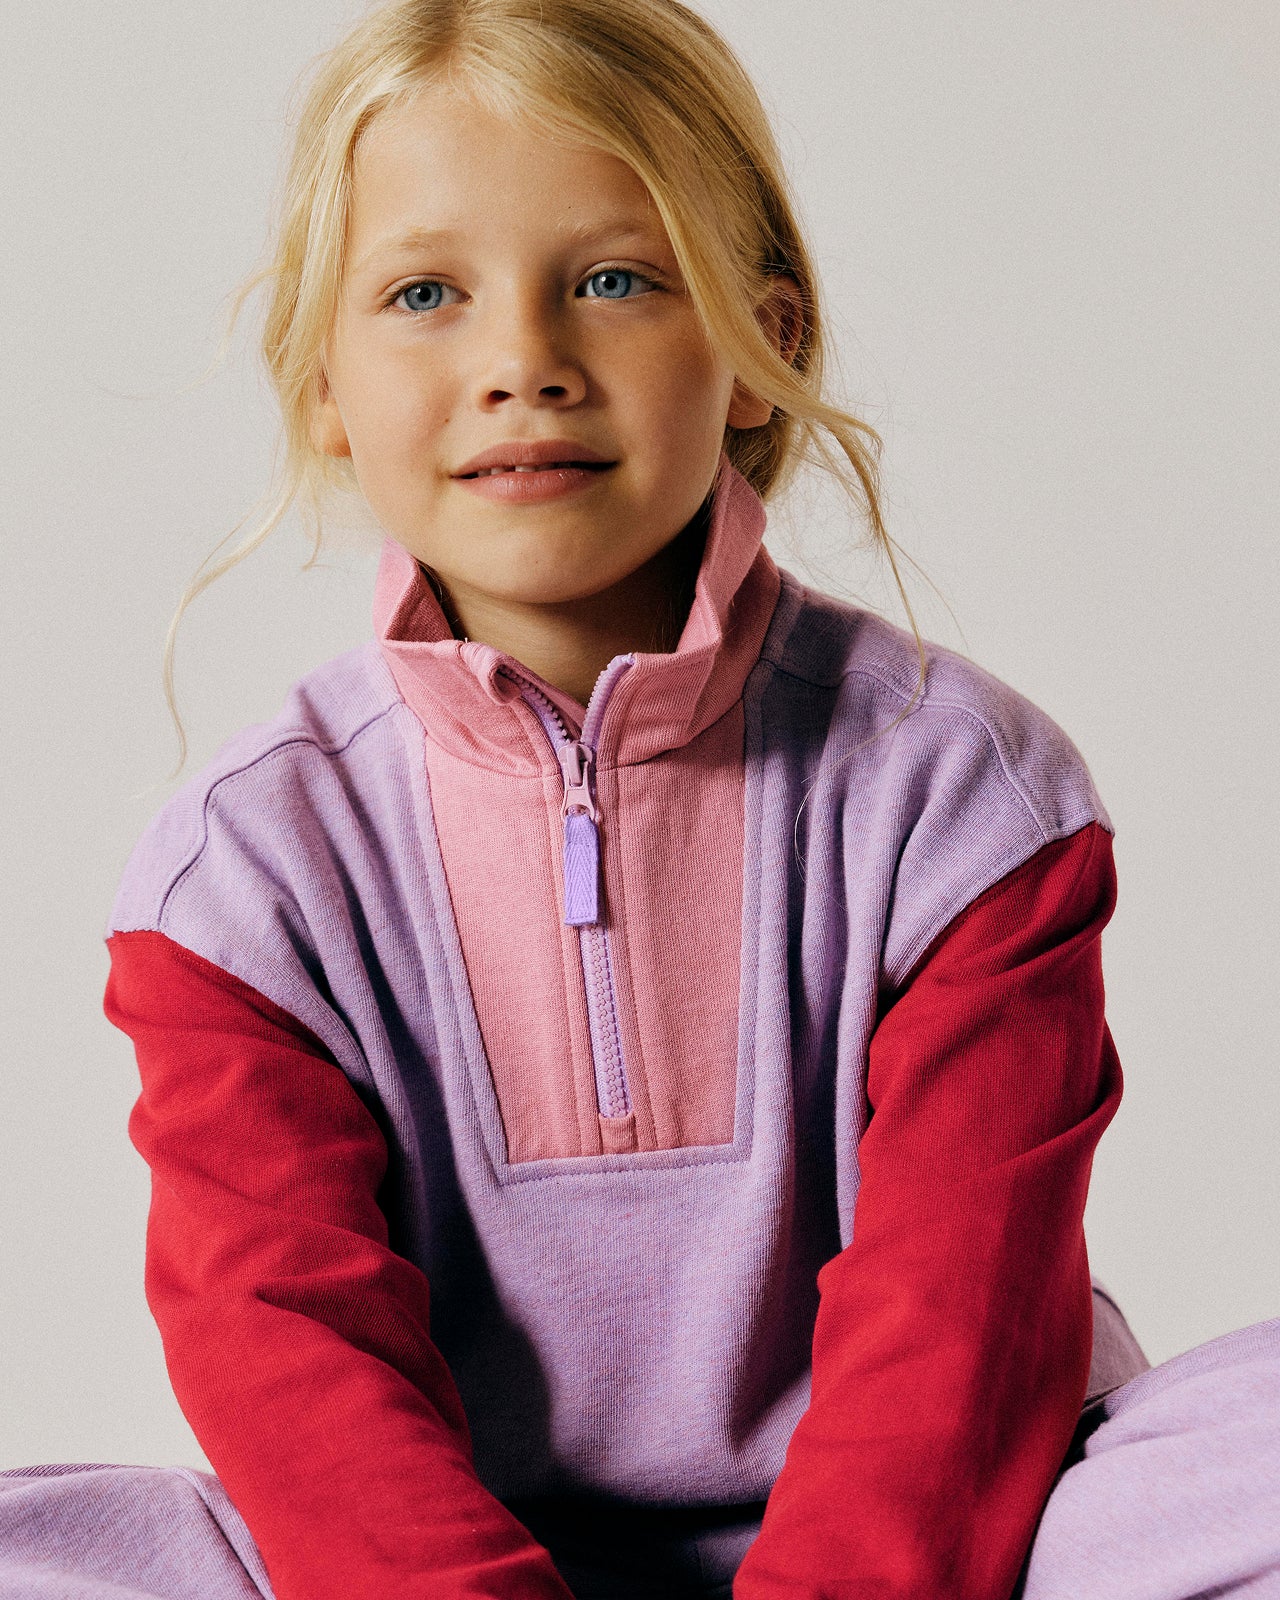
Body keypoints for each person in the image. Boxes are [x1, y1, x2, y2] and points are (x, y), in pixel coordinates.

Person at [3, 1, 1278, 1597]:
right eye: (423, 295)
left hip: (945, 1548)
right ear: (322, 382)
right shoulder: (242, 879)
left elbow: (962, 1331)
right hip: (419, 1566)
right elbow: (289, 1356)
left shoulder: (966, 799)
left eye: (613, 279)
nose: (523, 362)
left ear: (767, 350)